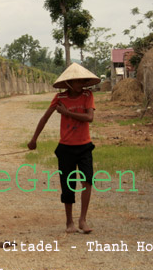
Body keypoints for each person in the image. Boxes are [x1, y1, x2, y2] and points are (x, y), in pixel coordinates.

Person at [27, 63, 100, 234]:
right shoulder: (60, 98)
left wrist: (66, 113)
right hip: (66, 148)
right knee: (68, 185)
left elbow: (89, 117)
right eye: (77, 81)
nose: (80, 84)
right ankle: (69, 222)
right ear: (68, 83)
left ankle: (83, 219)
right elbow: (45, 118)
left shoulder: (87, 95)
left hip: (84, 146)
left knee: (87, 181)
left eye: (83, 81)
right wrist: (34, 139)